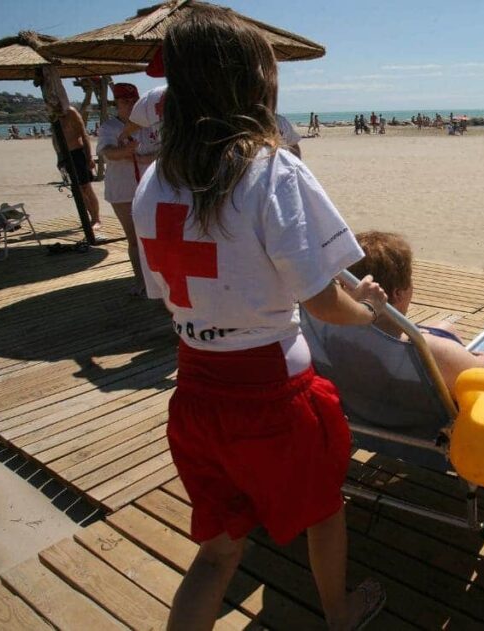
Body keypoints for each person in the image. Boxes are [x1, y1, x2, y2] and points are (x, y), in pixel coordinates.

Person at [130, 9, 387, 631]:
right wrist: (368, 312)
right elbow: (323, 300)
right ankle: (339, 614)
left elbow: (167, 291)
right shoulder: (270, 170)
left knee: (218, 552)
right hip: (276, 396)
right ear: (253, 83)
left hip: (193, 392)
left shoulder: (153, 183)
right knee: (322, 512)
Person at [349, 232, 484, 393]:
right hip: (424, 424)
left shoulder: (336, 336)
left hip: (370, 411)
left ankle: (456, 347)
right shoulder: (425, 350)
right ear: (398, 293)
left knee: (444, 327)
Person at [97, 83, 160, 297]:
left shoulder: (150, 125)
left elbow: (165, 150)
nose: (131, 105)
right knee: (134, 238)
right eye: (125, 102)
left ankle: (160, 281)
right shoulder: (109, 127)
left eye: (134, 101)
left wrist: (146, 157)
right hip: (123, 190)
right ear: (117, 104)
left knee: (155, 236)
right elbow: (107, 153)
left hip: (151, 189)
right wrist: (126, 151)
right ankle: (141, 281)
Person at [50, 96, 102, 230]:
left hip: (78, 153)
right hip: (65, 156)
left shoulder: (71, 112)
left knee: (86, 187)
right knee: (77, 190)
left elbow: (84, 135)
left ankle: (96, 219)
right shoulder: (53, 116)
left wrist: (89, 157)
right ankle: (87, 217)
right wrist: (59, 158)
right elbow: (55, 138)